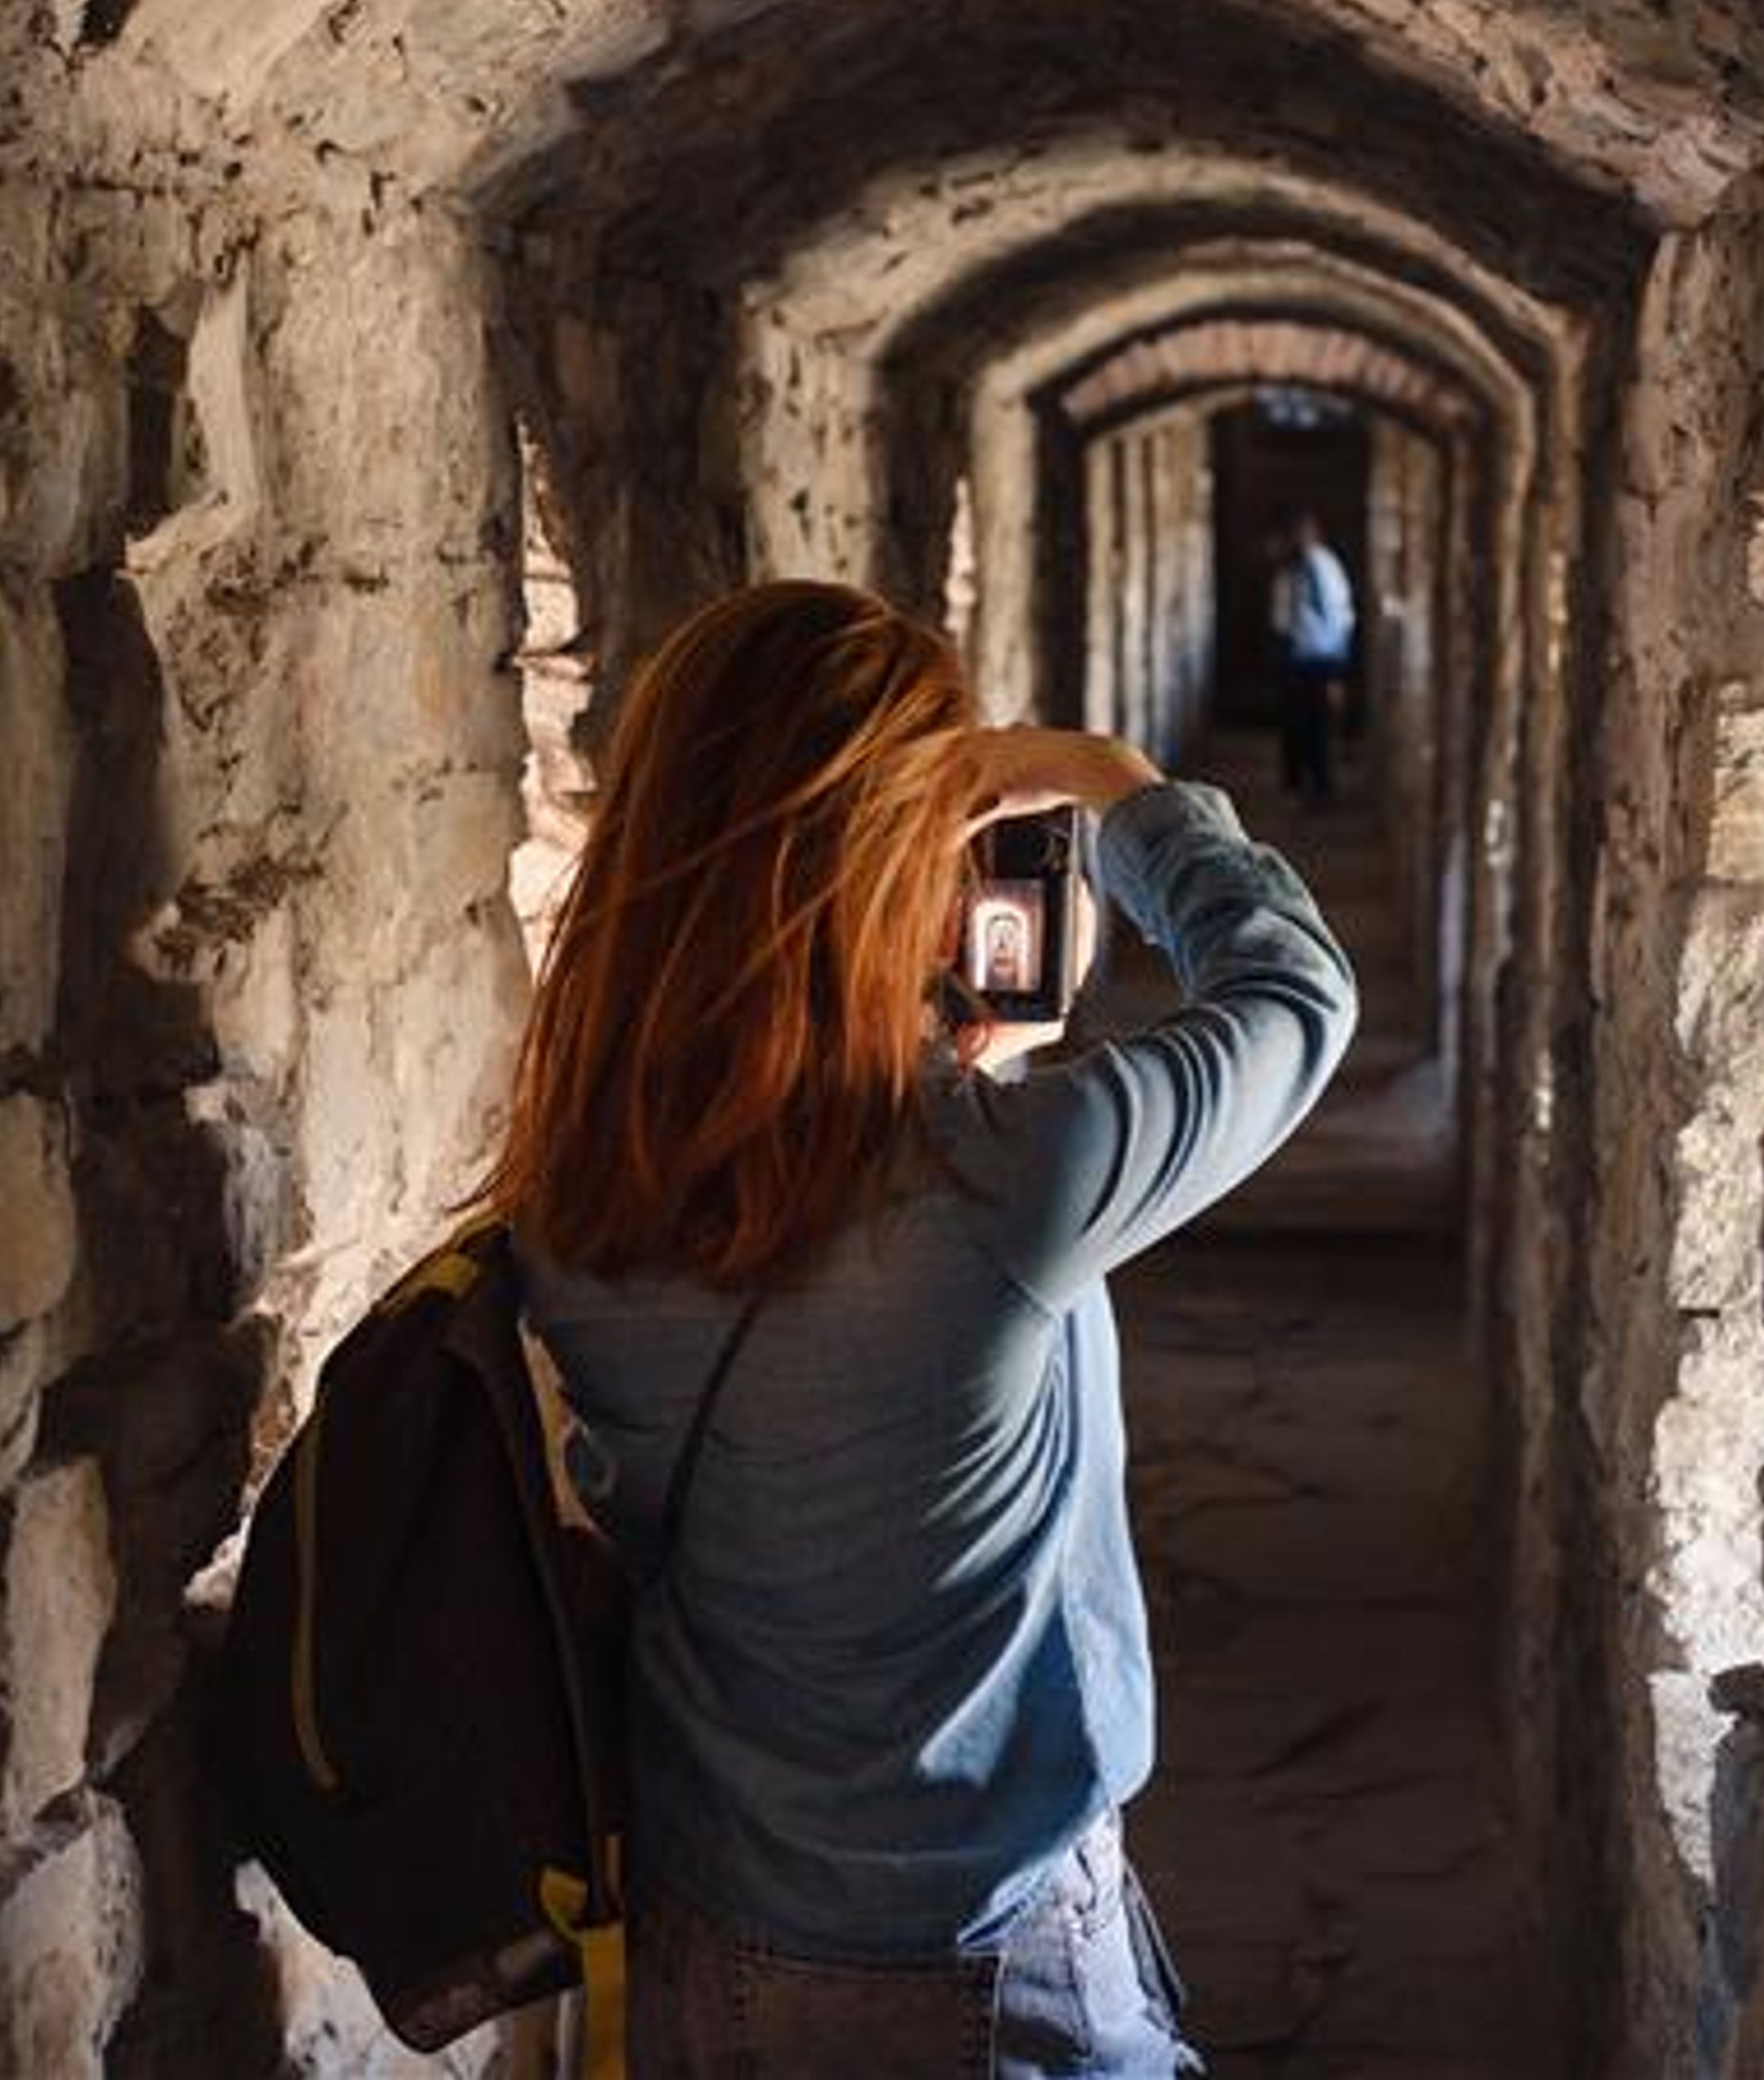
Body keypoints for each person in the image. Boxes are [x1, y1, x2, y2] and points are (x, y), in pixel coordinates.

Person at [486, 581, 1356, 2077]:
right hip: (988, 1956)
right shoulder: (1004, 1185)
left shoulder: (574, 1180)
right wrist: (1114, 785)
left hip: (704, 1933)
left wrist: (952, 1057)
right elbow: (1295, 994)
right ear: (899, 861)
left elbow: (802, 1205)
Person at [1265, 508, 1356, 809]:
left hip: (1320, 657)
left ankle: (1320, 787)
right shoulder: (1289, 570)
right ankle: (1296, 785)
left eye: (1301, 532)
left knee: (1316, 725)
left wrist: (1339, 667)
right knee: (1294, 724)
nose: (1297, 539)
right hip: (1296, 656)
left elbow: (1341, 616)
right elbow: (1282, 616)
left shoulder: (1326, 568)